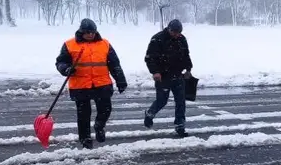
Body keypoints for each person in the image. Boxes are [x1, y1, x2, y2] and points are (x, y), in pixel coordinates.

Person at [55, 18, 128, 149]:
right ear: (81, 32)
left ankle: (99, 126)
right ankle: (85, 139)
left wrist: (121, 80)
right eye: (87, 32)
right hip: (80, 85)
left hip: (102, 83)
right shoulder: (69, 44)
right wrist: (66, 69)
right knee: (83, 115)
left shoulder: (104, 44)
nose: (90, 35)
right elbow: (60, 62)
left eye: (93, 32)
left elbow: (114, 64)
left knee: (105, 110)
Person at [144, 18, 193, 137]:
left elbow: (186, 55)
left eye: (178, 32)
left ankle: (180, 125)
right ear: (169, 29)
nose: (176, 35)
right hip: (163, 76)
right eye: (174, 32)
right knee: (162, 100)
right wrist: (155, 72)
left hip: (178, 75)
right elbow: (149, 58)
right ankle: (150, 113)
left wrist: (188, 69)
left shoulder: (182, 39)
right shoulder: (158, 39)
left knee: (181, 101)